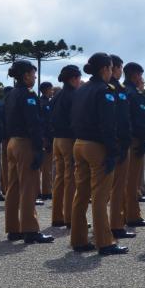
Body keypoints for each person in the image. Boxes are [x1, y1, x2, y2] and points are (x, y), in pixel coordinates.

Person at [70, 53, 128, 255]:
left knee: (81, 194)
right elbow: (108, 125)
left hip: (79, 144)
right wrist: (113, 151)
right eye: (111, 68)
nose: (112, 72)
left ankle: (78, 239)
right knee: (100, 197)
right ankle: (104, 242)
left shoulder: (81, 89)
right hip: (97, 146)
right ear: (105, 69)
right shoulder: (105, 91)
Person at [3, 60, 54, 244]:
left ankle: (13, 229)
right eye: (33, 74)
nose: (34, 77)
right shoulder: (28, 95)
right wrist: (38, 147)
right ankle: (30, 230)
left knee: (13, 187)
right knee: (29, 187)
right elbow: (33, 123)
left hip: (12, 142)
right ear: (25, 75)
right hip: (26, 143)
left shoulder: (11, 94)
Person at [123, 61, 145, 228]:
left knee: (129, 179)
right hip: (135, 139)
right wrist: (142, 138)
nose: (141, 78)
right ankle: (132, 215)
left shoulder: (127, 91)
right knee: (132, 180)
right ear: (135, 75)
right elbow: (136, 120)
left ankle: (125, 212)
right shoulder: (132, 94)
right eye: (140, 75)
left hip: (132, 138)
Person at [108, 54, 136, 239]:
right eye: (119, 68)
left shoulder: (108, 88)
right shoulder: (114, 89)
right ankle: (116, 224)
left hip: (111, 142)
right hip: (118, 142)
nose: (120, 71)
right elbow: (119, 119)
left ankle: (114, 222)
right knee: (117, 186)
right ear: (114, 68)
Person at [50, 65, 81, 227]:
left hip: (57, 139)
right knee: (71, 179)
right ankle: (70, 216)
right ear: (73, 79)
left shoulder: (57, 95)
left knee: (59, 178)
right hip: (69, 139)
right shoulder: (74, 95)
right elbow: (76, 119)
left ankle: (57, 216)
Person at [38, 81, 55, 201]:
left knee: (46, 167)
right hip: (46, 138)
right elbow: (44, 123)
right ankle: (46, 191)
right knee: (46, 167)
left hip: (47, 137)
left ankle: (45, 189)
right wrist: (46, 139)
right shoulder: (43, 103)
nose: (52, 91)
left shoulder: (45, 102)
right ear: (46, 90)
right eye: (50, 89)